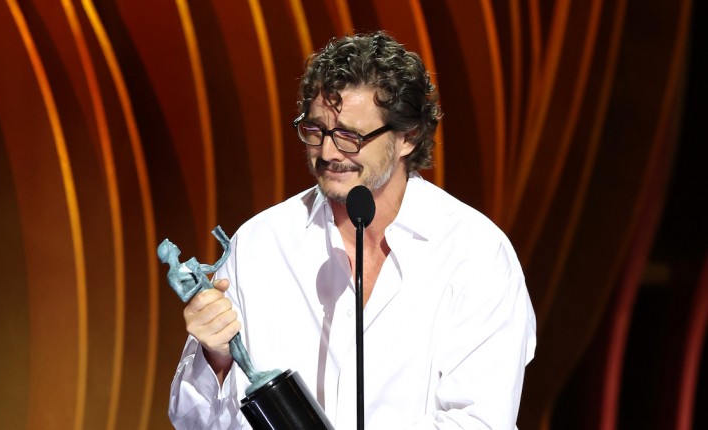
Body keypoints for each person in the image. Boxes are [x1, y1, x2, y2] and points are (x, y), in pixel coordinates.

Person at [169, 31, 536, 429]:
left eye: (349, 136)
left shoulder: (475, 254)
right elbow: (193, 422)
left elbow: (480, 422)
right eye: (316, 131)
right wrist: (216, 359)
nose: (328, 152)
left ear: (407, 137)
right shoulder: (260, 244)